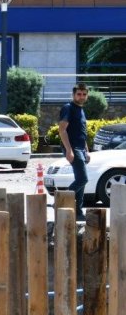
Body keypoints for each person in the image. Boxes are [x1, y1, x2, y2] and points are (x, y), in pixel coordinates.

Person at [58, 83, 90, 220]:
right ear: (73, 95)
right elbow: (62, 130)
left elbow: (82, 133)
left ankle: (78, 212)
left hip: (81, 148)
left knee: (80, 180)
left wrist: (87, 151)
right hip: (73, 148)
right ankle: (60, 200)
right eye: (79, 94)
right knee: (83, 179)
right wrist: (68, 150)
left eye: (84, 94)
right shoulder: (68, 108)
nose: (81, 97)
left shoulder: (81, 110)